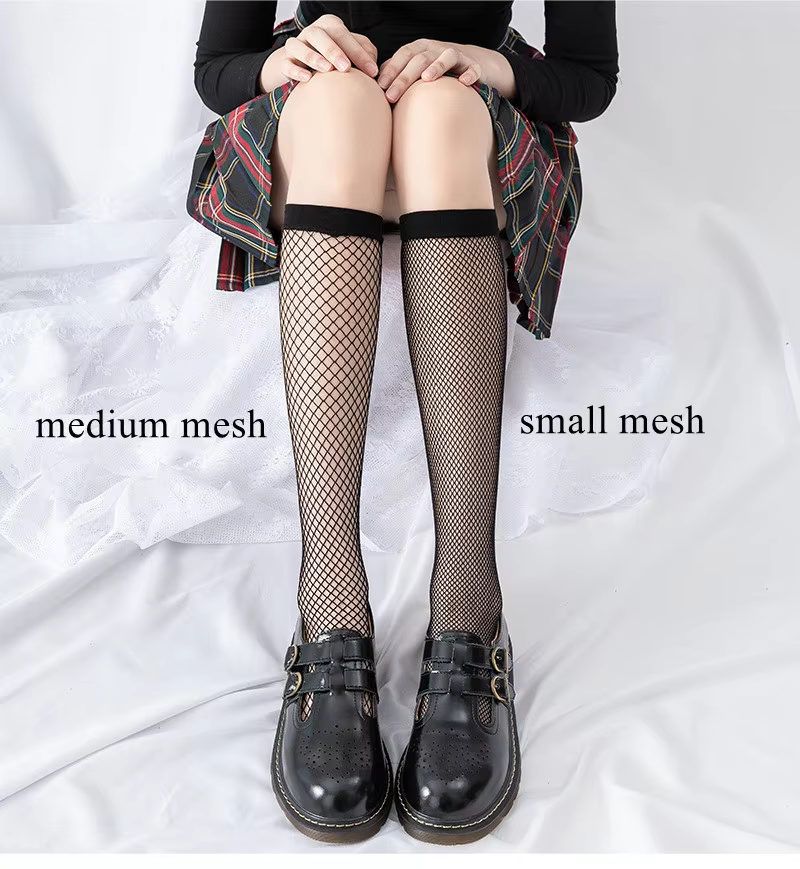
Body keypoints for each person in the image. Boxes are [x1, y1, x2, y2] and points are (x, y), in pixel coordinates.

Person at [189, 0, 618, 845]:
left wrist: (491, 66)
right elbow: (217, 68)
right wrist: (279, 65)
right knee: (342, 102)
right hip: (323, 139)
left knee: (438, 110)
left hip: (464, 136)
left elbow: (588, 79)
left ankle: (469, 606)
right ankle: (330, 608)